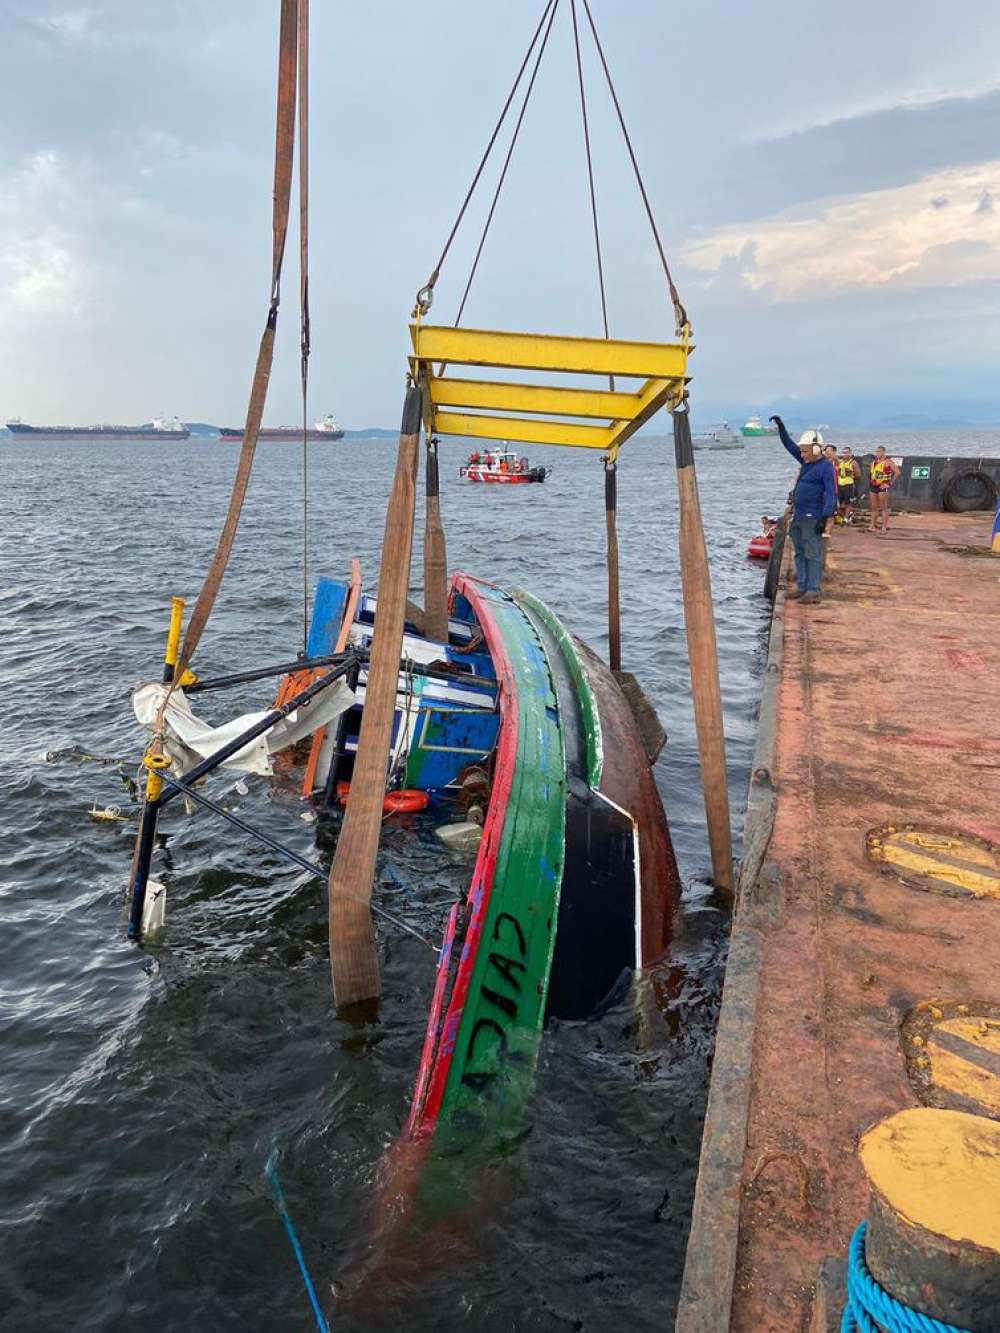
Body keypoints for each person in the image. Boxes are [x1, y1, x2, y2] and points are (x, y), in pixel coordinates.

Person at [769, 416, 837, 603]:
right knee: (799, 551)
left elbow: (831, 494)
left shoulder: (826, 468)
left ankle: (813, 590)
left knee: (812, 553)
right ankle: (802, 586)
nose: (802, 454)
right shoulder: (806, 461)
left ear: (816, 449)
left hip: (812, 516)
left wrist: (825, 517)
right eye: (802, 451)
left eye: (805, 451)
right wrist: (781, 427)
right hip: (799, 515)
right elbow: (789, 445)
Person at [868, 446, 900, 534]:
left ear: (883, 452)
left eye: (879, 451)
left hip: (883, 487)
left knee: (883, 508)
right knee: (874, 507)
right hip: (873, 486)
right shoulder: (873, 462)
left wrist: (889, 484)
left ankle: (884, 527)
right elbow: (871, 474)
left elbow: (897, 472)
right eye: (876, 452)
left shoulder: (888, 462)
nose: (877, 453)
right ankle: (872, 526)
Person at [836, 447, 862, 523]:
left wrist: (851, 474)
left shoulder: (853, 463)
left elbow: (858, 475)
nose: (845, 454)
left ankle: (846, 518)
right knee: (841, 503)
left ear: (850, 453)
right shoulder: (840, 462)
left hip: (849, 485)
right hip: (840, 484)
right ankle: (845, 516)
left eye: (847, 452)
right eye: (844, 452)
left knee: (848, 502)